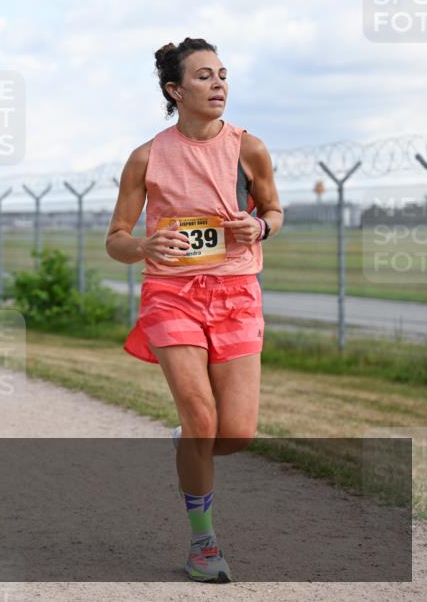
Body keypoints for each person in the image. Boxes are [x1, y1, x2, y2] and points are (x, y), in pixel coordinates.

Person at [106, 38, 283, 584]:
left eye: (223, 74)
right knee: (202, 418)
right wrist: (145, 247)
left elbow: (274, 210)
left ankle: (189, 446)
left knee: (235, 434)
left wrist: (258, 226)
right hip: (170, 293)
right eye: (205, 77)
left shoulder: (249, 148)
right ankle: (203, 543)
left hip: (235, 293)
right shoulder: (146, 157)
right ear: (175, 90)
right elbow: (115, 238)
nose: (219, 85)